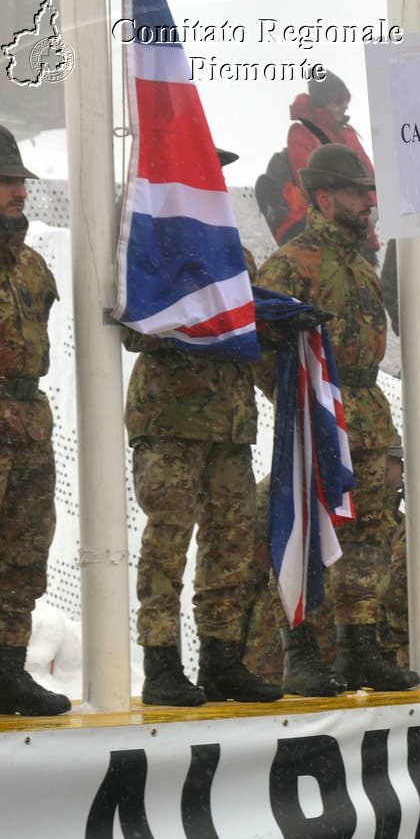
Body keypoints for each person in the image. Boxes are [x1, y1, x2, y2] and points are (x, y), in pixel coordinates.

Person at [256, 144, 419, 695]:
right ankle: (298, 650)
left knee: (371, 534)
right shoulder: (289, 263)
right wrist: (300, 404)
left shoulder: (360, 264)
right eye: (357, 193)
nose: (368, 204)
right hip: (318, 417)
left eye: (370, 193)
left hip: (368, 413)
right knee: (306, 528)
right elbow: (264, 347)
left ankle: (358, 647)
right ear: (325, 198)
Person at [125, 250, 282, 705]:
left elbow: (246, 329)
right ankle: (161, 662)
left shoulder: (234, 251)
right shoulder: (153, 236)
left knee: (230, 542)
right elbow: (134, 328)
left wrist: (274, 324)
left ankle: (220, 658)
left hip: (230, 422)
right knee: (168, 542)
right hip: (171, 416)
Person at [0, 120, 70, 718]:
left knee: (22, 557)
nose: (20, 191)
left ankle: (6, 672)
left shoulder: (32, 265)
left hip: (28, 424)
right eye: (5, 180)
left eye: (21, 180)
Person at [277, 72, 373, 247]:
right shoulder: (302, 133)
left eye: (346, 101)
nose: (345, 106)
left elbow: (370, 176)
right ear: (321, 105)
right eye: (338, 102)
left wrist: (367, 206)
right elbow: (310, 184)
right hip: (325, 236)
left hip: (360, 229)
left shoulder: (348, 133)